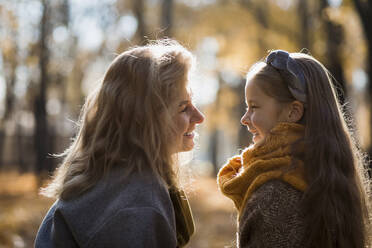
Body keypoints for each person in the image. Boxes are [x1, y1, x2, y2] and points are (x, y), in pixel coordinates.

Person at [35, 39, 204, 248]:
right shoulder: (136, 207)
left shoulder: (112, 180)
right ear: (144, 121)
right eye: (183, 107)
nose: (199, 117)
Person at [217, 50, 371, 247]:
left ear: (293, 111)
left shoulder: (274, 197)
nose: (244, 119)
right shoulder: (329, 175)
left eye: (254, 107)